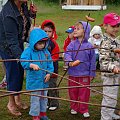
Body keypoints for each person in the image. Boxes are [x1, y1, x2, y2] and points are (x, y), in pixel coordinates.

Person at [0, 0, 33, 116]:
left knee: (20, 71)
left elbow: (25, 22)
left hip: (18, 43)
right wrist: (22, 58)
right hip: (7, 46)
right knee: (13, 72)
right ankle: (11, 103)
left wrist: (32, 14)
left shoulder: (22, 5)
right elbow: (10, 41)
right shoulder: (8, 13)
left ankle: (17, 99)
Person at [64, 21, 96, 118]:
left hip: (85, 74)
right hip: (73, 74)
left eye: (78, 29)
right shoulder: (72, 44)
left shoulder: (89, 46)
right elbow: (67, 54)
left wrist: (92, 73)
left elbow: (93, 61)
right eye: (75, 29)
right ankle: (74, 107)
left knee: (84, 93)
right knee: (73, 91)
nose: (75, 30)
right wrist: (69, 61)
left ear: (85, 31)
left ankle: (84, 108)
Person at [21, 28, 54, 120]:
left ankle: (43, 113)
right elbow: (23, 61)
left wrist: (49, 74)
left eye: (43, 43)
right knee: (35, 99)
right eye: (39, 43)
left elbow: (50, 64)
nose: (42, 45)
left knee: (44, 98)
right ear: (33, 42)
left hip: (44, 81)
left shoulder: (46, 52)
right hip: (34, 82)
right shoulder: (28, 51)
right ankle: (35, 115)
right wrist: (31, 65)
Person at [99, 12, 120, 120]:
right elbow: (103, 62)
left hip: (116, 75)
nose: (116, 28)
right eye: (113, 26)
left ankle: (110, 114)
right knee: (109, 98)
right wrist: (113, 67)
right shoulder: (105, 42)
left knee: (113, 98)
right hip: (109, 76)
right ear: (105, 26)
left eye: (118, 25)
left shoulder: (116, 40)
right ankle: (105, 117)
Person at [41, 20, 60, 111]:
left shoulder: (53, 43)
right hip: (43, 69)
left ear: (53, 32)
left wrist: (48, 61)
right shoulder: (40, 42)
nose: (47, 33)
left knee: (52, 86)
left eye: (49, 31)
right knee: (45, 87)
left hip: (52, 70)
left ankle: (54, 103)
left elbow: (56, 56)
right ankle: (47, 102)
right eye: (45, 31)